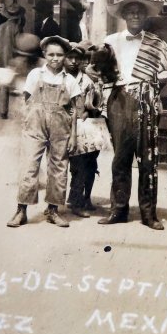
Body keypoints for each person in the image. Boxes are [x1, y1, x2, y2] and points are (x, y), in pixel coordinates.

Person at [99, 0, 167, 230]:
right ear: (124, 15)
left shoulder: (156, 43)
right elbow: (98, 71)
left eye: (139, 11)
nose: (135, 15)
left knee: (148, 158)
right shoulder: (111, 41)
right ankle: (118, 209)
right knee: (120, 158)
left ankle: (149, 213)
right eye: (130, 11)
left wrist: (158, 81)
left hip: (146, 101)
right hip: (118, 101)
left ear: (145, 15)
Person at [7, 36, 80, 228]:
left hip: (60, 129)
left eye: (60, 55)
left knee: (59, 168)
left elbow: (74, 111)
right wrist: (27, 120)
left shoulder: (70, 81)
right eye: (51, 54)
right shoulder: (35, 75)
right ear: (44, 55)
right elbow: (26, 99)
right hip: (35, 126)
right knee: (29, 166)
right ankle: (21, 210)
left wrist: (72, 135)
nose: (55, 58)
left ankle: (53, 210)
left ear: (65, 56)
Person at [65, 41, 108, 217]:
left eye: (78, 58)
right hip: (68, 126)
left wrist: (93, 107)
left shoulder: (88, 80)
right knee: (76, 166)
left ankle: (86, 198)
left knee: (91, 163)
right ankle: (73, 200)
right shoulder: (61, 78)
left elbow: (97, 103)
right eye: (70, 57)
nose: (74, 61)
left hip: (88, 125)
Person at [0, 4, 25, 119]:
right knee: (19, 85)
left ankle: (3, 111)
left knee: (4, 87)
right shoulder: (17, 28)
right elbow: (20, 44)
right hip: (13, 60)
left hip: (0, 60)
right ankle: (20, 112)